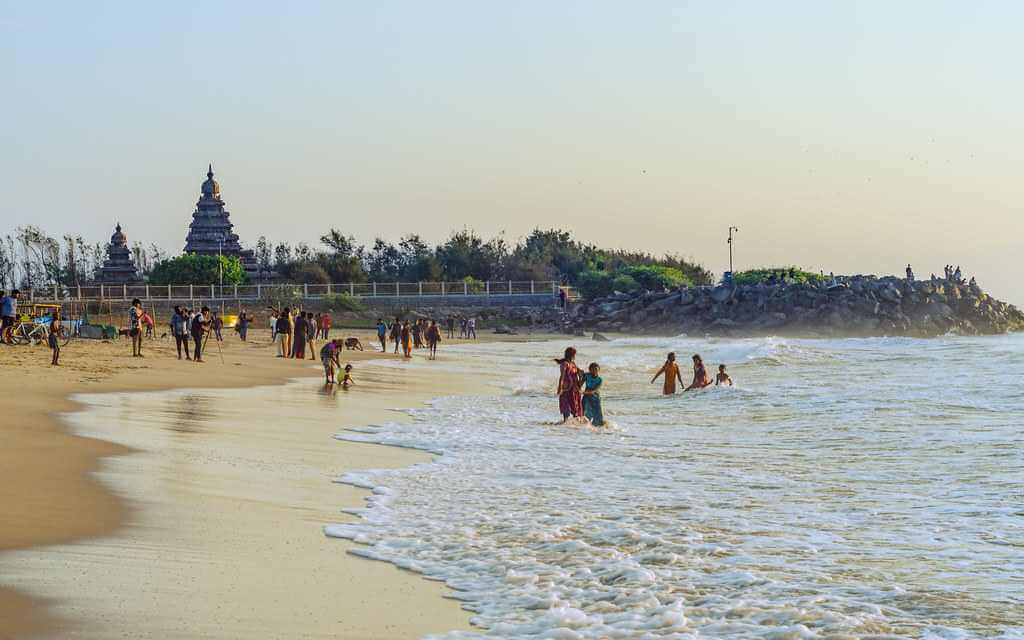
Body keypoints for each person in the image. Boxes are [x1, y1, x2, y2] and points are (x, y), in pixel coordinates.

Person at [554, 347, 583, 423]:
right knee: (566, 407)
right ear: (571, 355)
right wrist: (560, 388)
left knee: (575, 407)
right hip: (566, 388)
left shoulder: (573, 364)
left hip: (574, 389)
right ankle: (565, 423)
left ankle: (574, 426)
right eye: (574, 354)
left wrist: (581, 373)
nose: (575, 356)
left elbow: (579, 372)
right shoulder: (564, 364)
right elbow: (562, 376)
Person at [582, 362, 604, 427]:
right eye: (593, 369)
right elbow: (580, 384)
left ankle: (599, 428)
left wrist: (583, 392)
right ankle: (586, 427)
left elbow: (594, 390)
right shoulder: (587, 376)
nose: (594, 371)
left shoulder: (599, 380)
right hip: (586, 397)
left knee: (598, 415)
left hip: (595, 398)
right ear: (590, 370)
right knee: (584, 412)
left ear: (599, 370)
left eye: (596, 369)